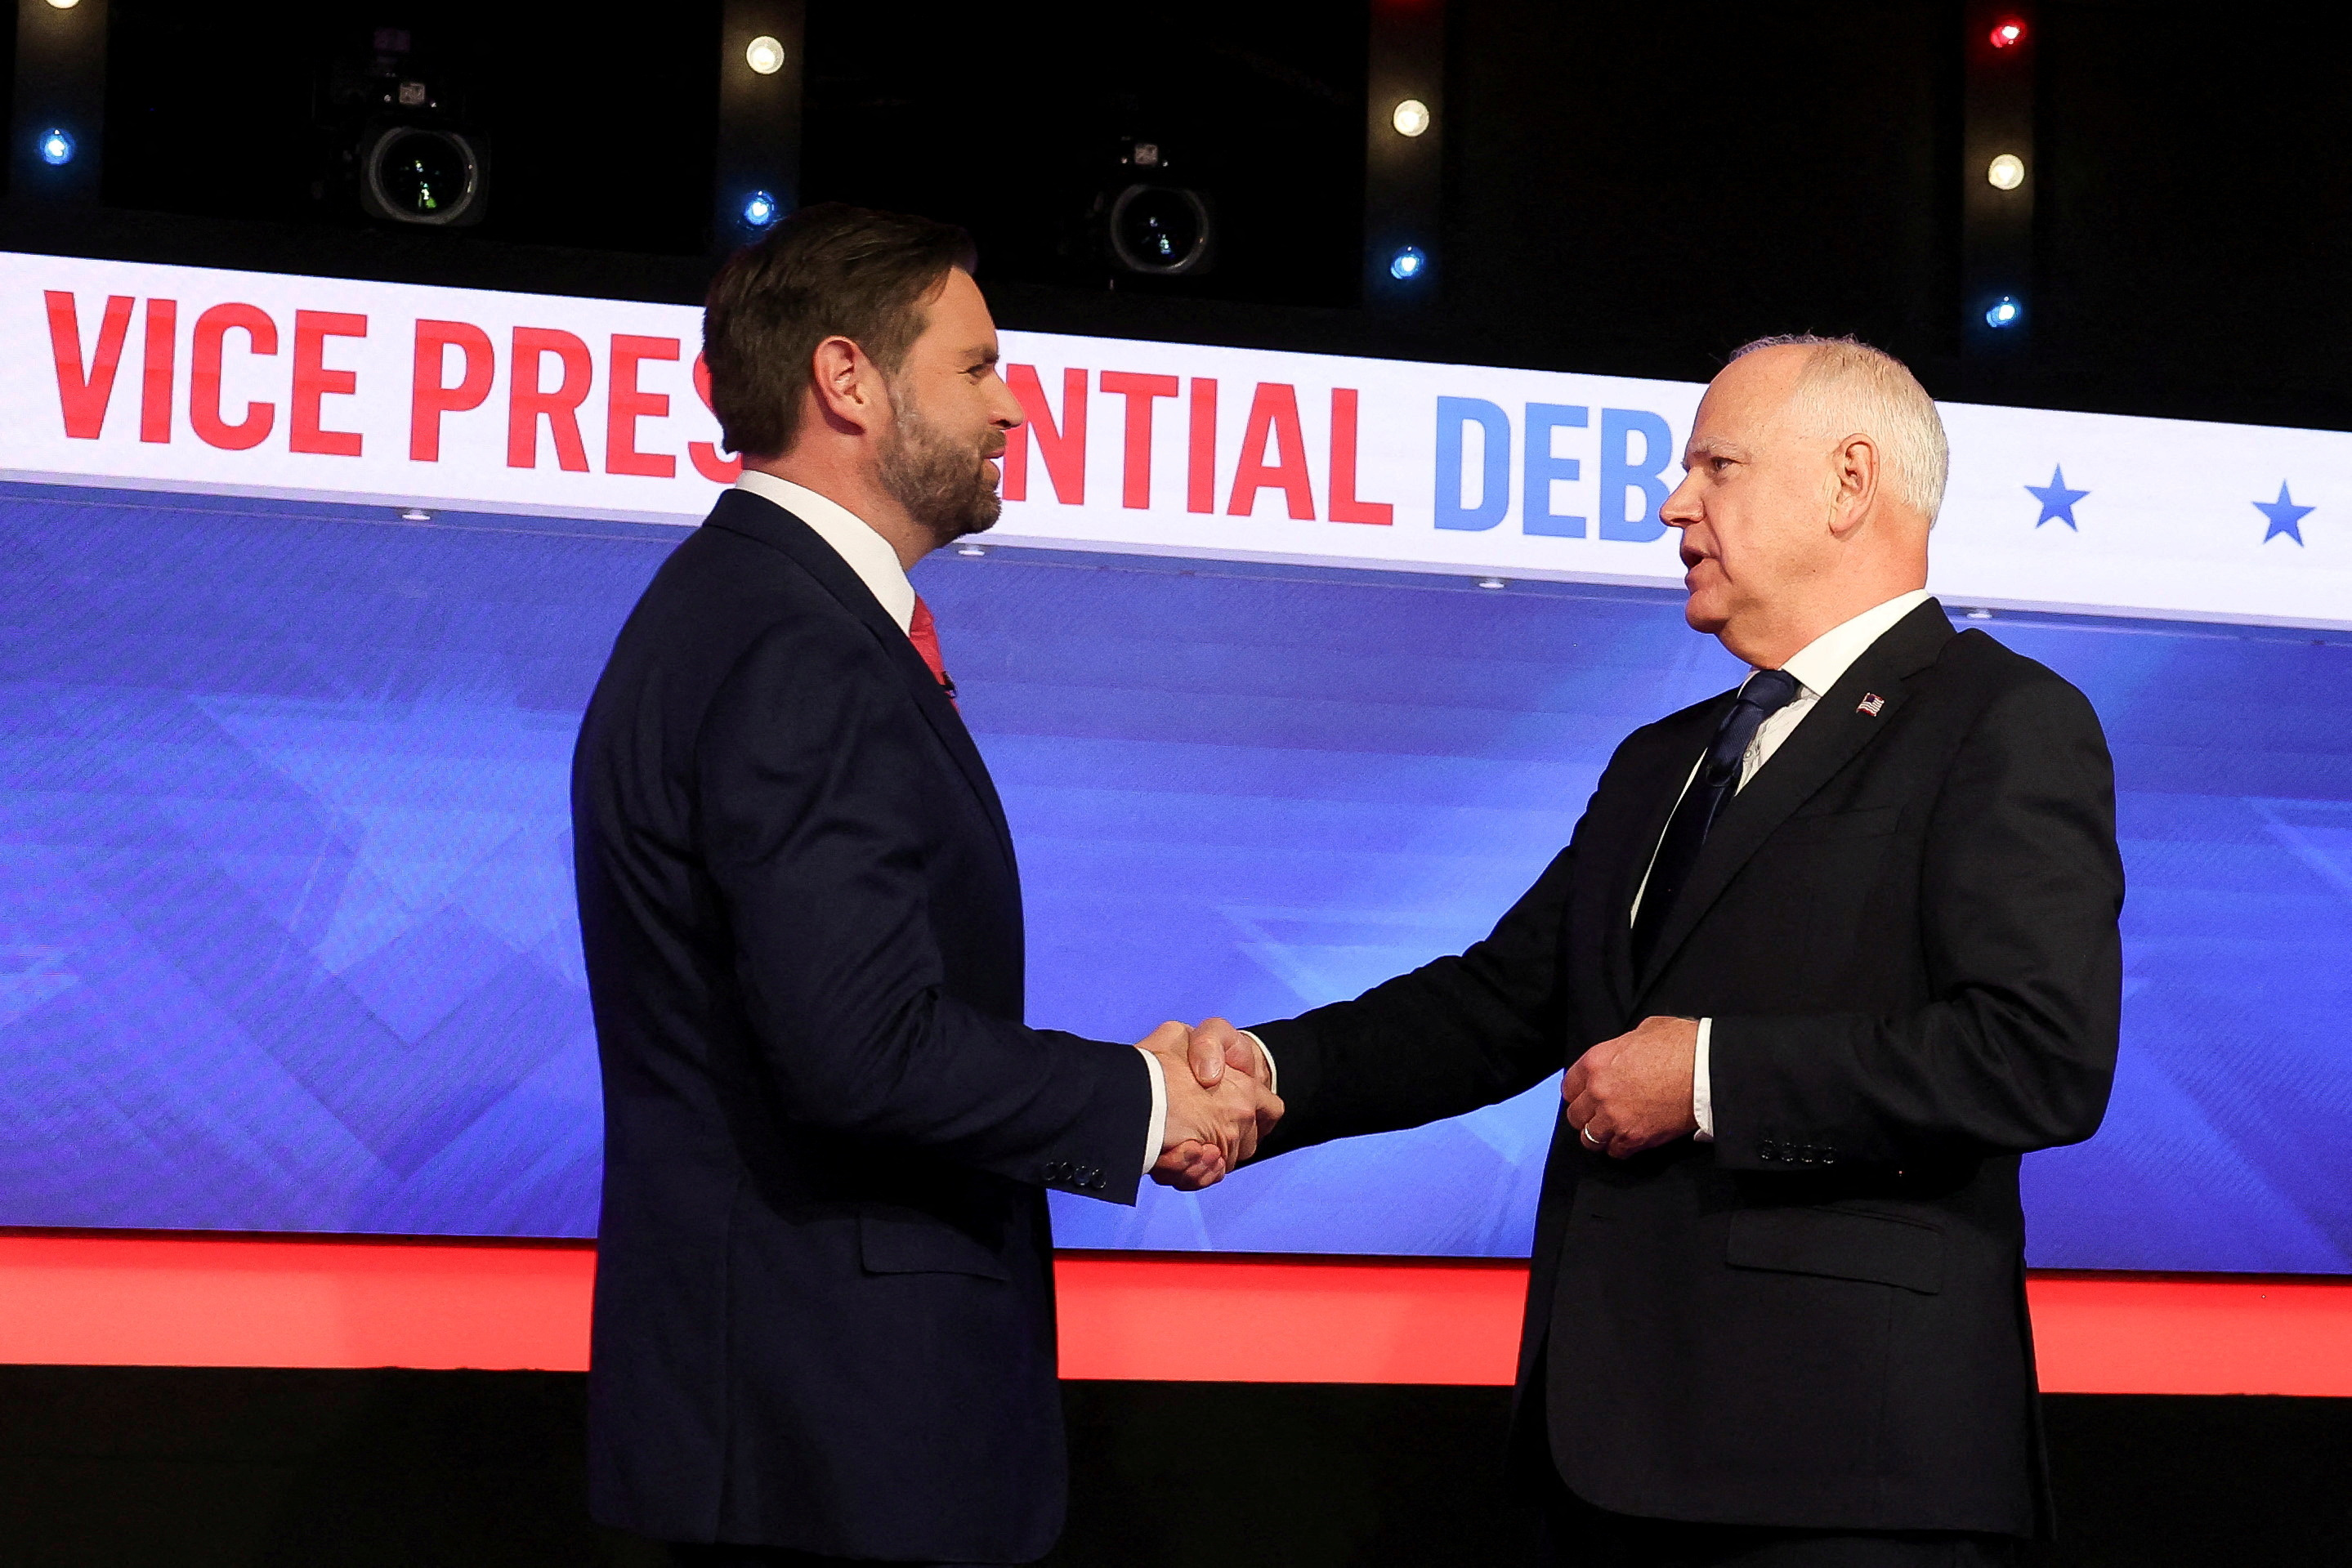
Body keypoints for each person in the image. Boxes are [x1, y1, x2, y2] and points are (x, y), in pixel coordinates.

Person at [1178, 336, 2125, 1566]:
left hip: (1847, 1479)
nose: (1674, 502)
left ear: (1849, 483)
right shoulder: (1660, 759)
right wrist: (1260, 1070)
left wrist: (1708, 1078)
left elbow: (2036, 1053)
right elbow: (1501, 1000)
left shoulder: (2003, 720)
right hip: (1605, 1463)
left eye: (1715, 466)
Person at [570, 203, 1280, 1566]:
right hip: (830, 1443)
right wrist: (1139, 1100)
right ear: (849, 381)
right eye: (975, 367)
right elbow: (860, 1050)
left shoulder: (744, 611)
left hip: (791, 1432)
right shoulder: (798, 647)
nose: (1012, 407)